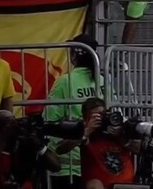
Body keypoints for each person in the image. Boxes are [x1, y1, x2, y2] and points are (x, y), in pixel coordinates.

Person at [44, 34, 104, 189]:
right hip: (100, 163)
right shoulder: (104, 81)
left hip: (68, 167)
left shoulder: (65, 81)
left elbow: (49, 122)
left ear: (74, 55)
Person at [0, 110, 61, 189]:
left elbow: (56, 166)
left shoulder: (25, 143)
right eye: (8, 126)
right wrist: (4, 139)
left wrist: (39, 145)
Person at [75, 98, 139, 189]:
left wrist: (121, 137)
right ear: (86, 118)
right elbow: (61, 149)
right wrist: (86, 131)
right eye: (95, 116)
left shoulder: (119, 130)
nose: (100, 119)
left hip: (126, 185)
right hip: (101, 185)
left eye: (102, 115)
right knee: (94, 185)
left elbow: (140, 149)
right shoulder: (84, 133)